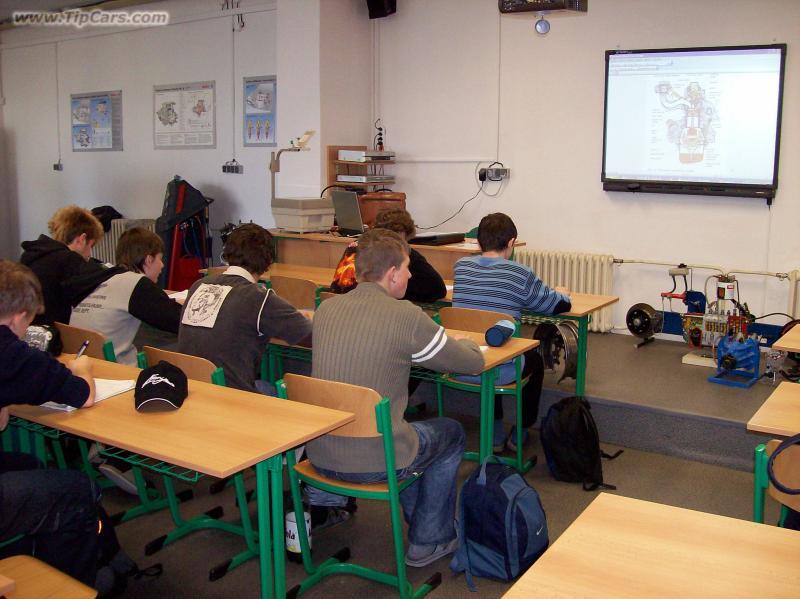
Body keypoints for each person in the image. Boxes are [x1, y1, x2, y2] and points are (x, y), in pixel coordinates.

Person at [308, 229, 484, 567]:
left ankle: (422, 524)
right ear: (391, 274)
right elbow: (471, 363)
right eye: (406, 268)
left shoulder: (326, 309)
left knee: (408, 434)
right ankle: (429, 540)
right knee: (450, 433)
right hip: (376, 459)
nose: (411, 275)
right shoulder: (406, 316)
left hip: (318, 454)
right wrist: (467, 342)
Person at [0, 260, 99, 585]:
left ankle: (28, 562)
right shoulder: (13, 354)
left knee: (28, 464)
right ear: (18, 317)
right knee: (79, 489)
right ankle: (72, 586)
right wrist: (82, 368)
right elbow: (83, 394)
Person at [453, 212, 571, 452]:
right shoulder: (519, 273)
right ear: (511, 242)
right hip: (499, 369)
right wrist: (562, 293)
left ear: (478, 241)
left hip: (461, 361)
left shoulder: (461, 266)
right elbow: (556, 306)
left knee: (491, 350)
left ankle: (495, 433)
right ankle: (521, 432)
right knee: (531, 359)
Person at [177, 223, 312, 394]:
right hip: (231, 395)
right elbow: (308, 334)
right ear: (268, 262)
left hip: (189, 389)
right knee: (281, 390)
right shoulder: (258, 297)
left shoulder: (199, 285)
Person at [70, 227, 181, 366]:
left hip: (82, 360)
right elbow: (177, 320)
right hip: (115, 368)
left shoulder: (103, 278)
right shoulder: (137, 283)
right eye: (160, 259)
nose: (162, 265)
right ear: (148, 260)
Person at [330, 208, 447, 303]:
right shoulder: (400, 253)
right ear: (402, 234)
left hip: (341, 305)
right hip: (371, 309)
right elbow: (438, 290)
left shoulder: (356, 245)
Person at [20, 205, 107, 326]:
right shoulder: (69, 260)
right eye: (91, 246)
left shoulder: (32, 254)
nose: (89, 254)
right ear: (81, 239)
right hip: (52, 331)